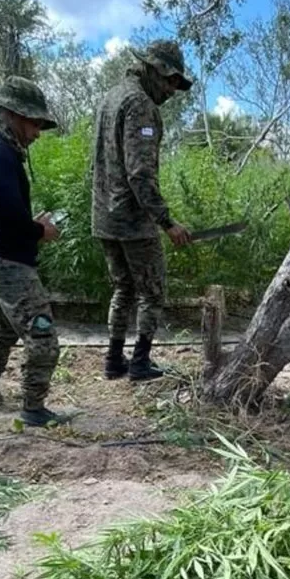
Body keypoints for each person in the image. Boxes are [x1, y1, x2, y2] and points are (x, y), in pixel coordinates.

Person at [91, 39, 194, 381]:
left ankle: (113, 359)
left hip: (105, 216)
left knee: (123, 289)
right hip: (132, 220)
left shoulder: (111, 97)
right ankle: (139, 362)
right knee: (152, 291)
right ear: (154, 71)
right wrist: (167, 222)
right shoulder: (141, 105)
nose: (170, 90)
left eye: (175, 85)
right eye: (169, 81)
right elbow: (140, 174)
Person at [0, 75, 67, 427]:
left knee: (2, 329)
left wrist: (30, 225)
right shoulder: (0, 152)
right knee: (42, 336)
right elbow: (11, 218)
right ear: (13, 113)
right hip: (9, 263)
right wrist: (41, 230)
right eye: (35, 123)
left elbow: (4, 212)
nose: (38, 132)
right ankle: (33, 408)